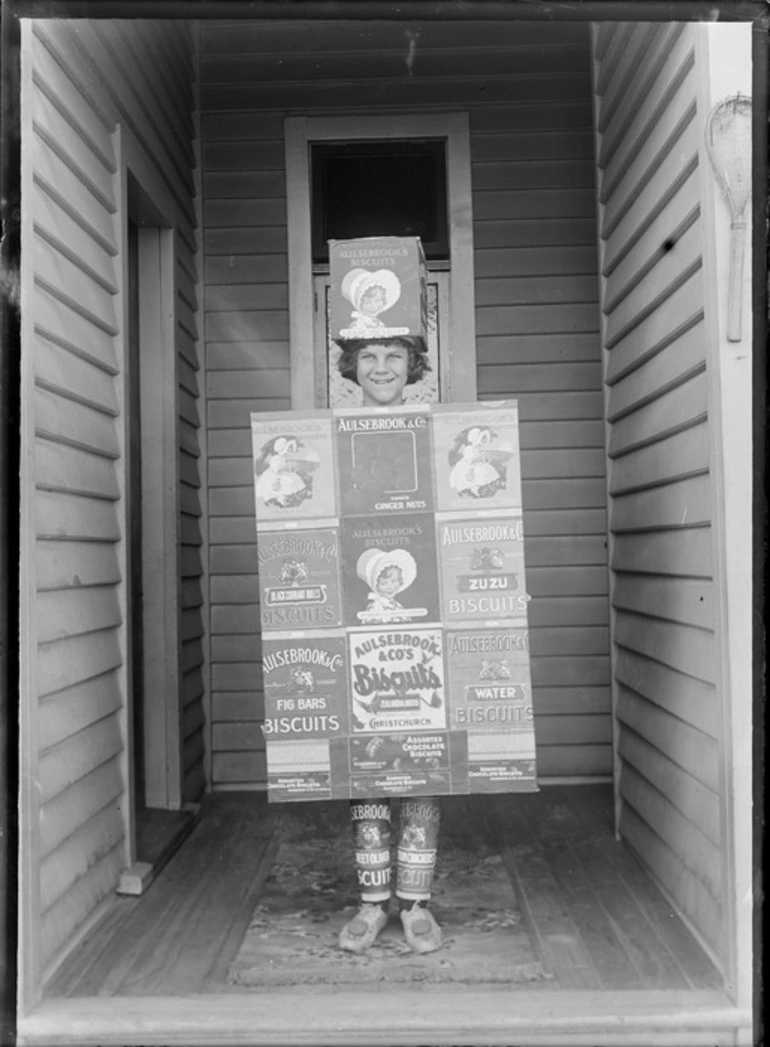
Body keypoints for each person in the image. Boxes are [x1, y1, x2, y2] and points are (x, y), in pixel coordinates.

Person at [335, 335, 444, 956]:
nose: (381, 368)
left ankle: (418, 904)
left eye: (394, 356)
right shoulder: (332, 436)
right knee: (368, 767)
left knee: (426, 766)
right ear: (352, 368)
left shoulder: (431, 430)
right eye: (369, 356)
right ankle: (373, 904)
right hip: (356, 621)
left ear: (413, 366)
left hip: (425, 617)